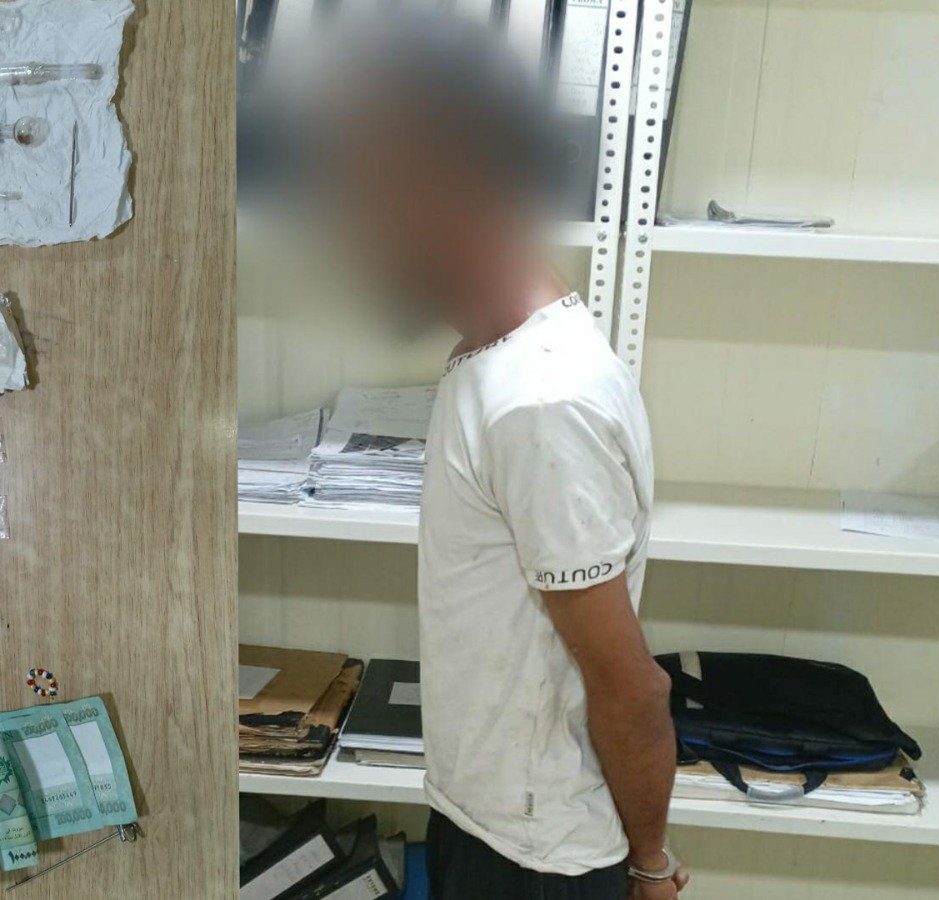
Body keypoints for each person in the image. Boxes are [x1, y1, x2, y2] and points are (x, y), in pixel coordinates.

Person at [291, 12, 688, 899]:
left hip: (538, 860)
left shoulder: (540, 403)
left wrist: (652, 868)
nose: (357, 239)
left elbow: (633, 690)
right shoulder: (491, 361)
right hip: (488, 822)